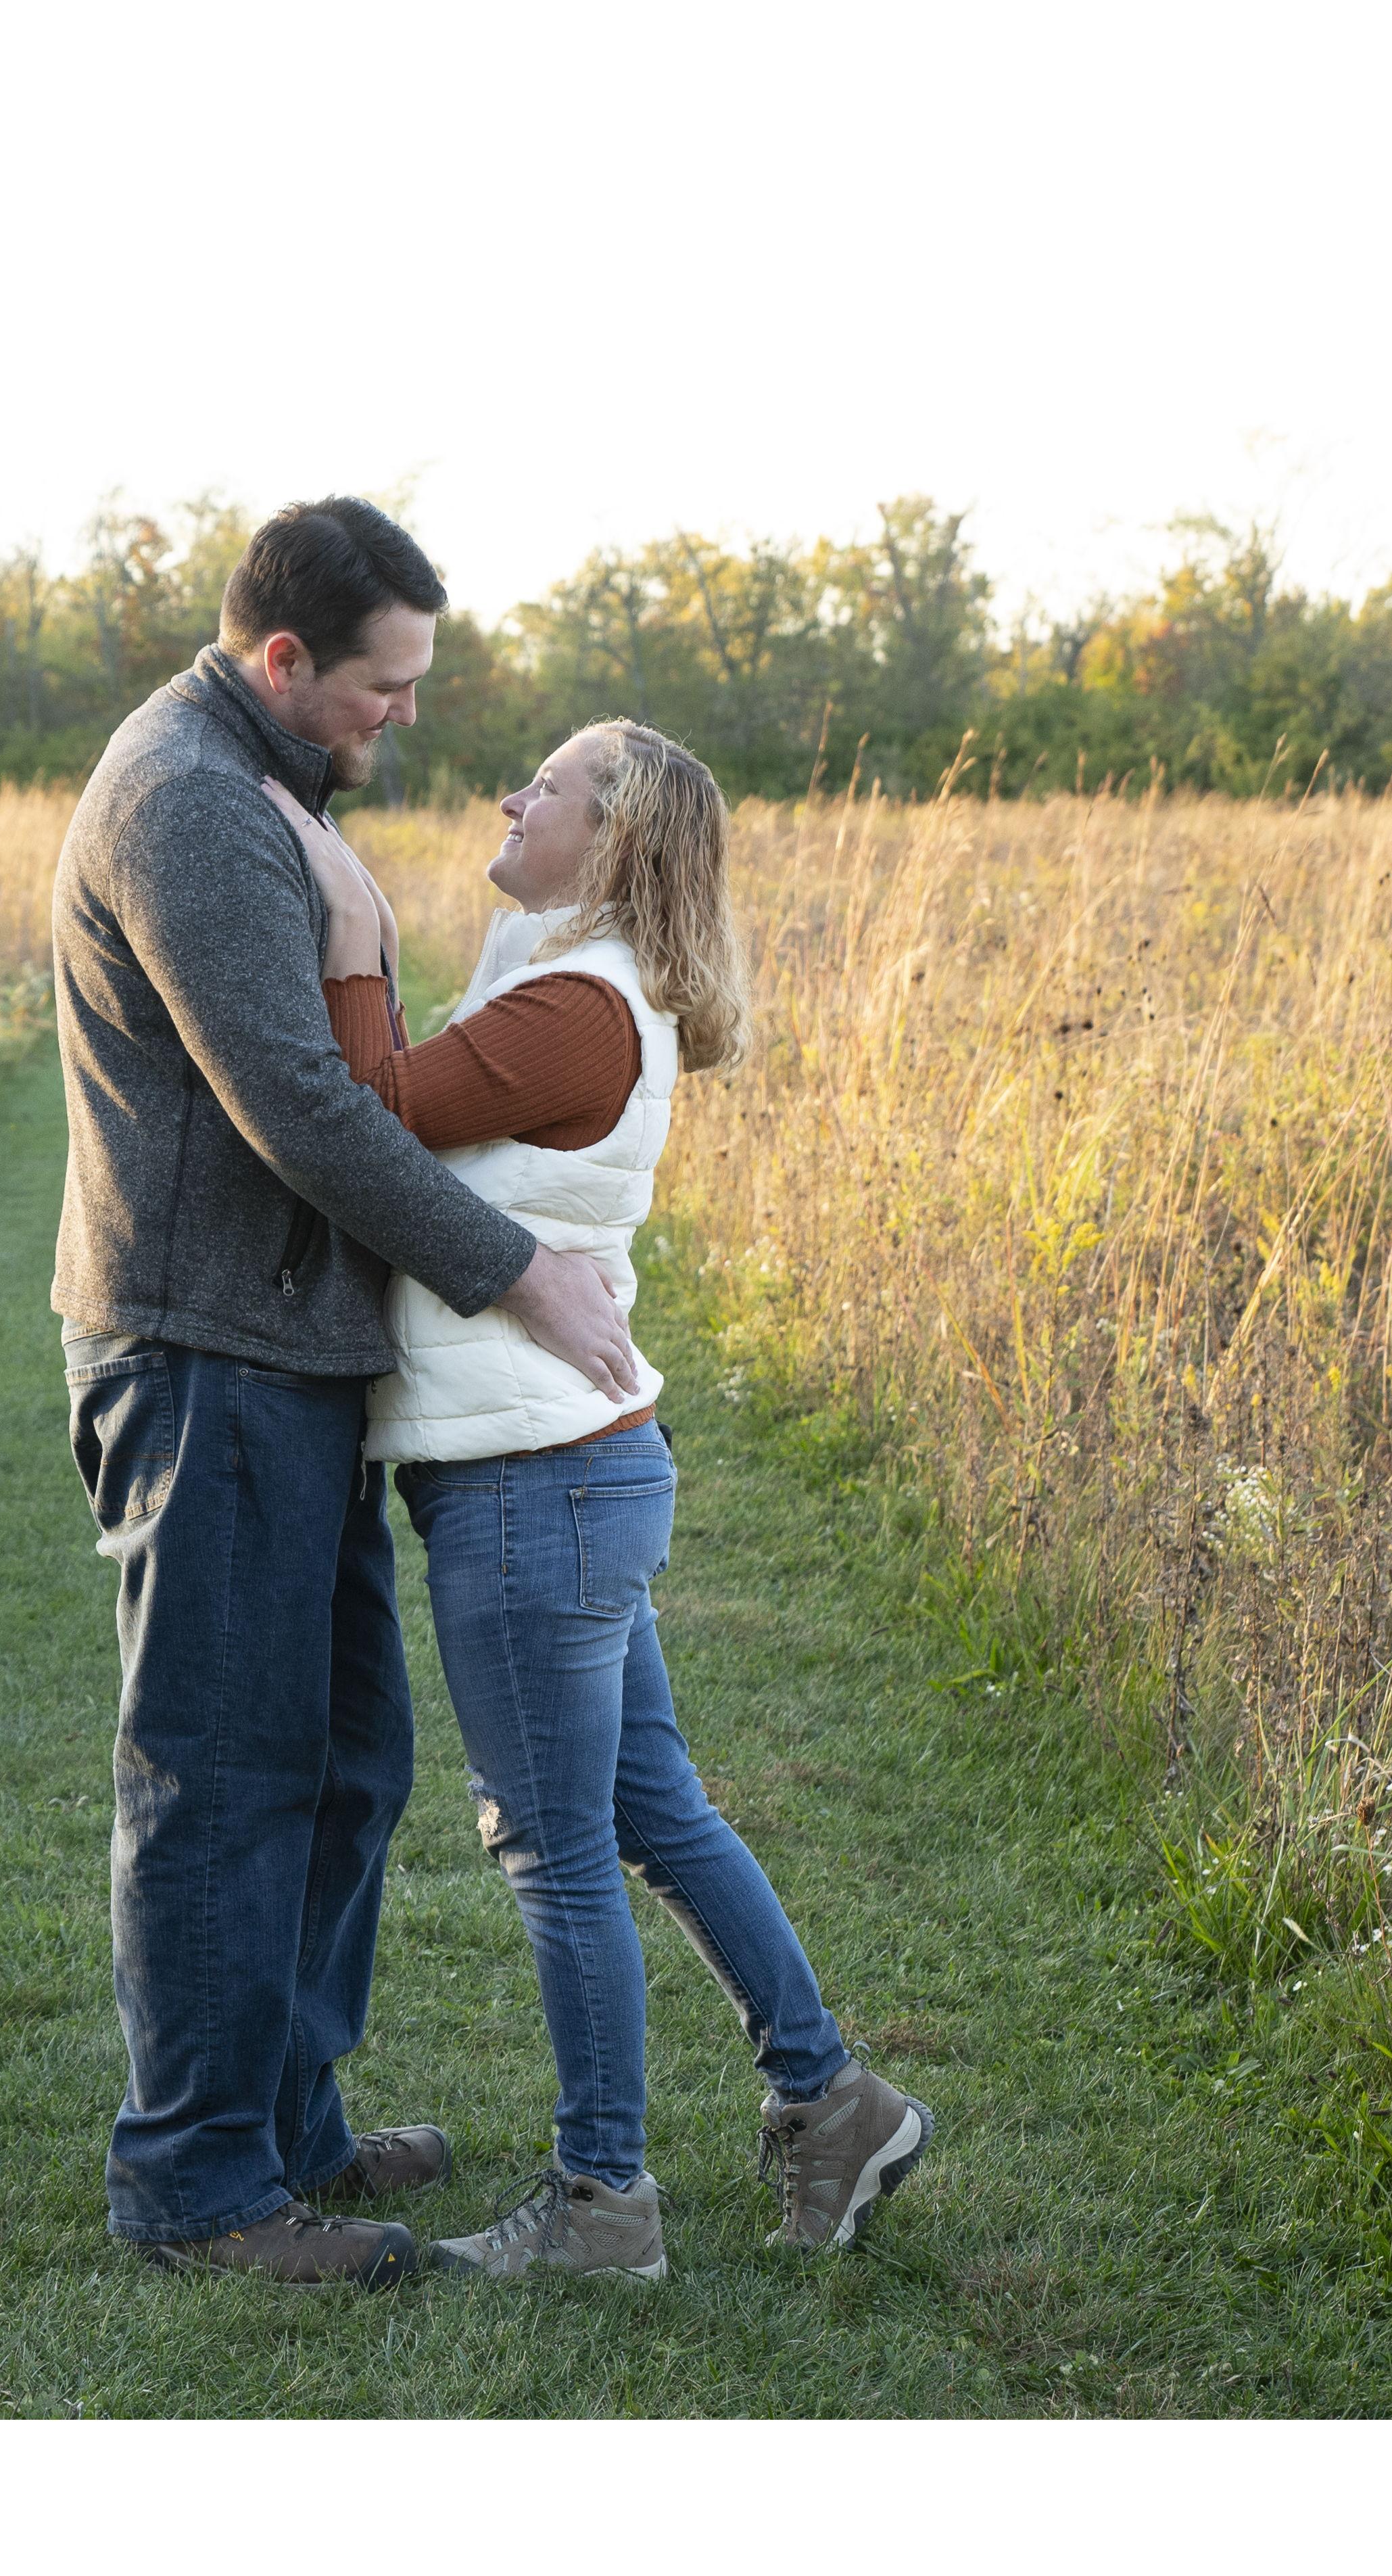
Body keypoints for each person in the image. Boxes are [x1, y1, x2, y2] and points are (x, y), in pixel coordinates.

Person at [51, 498, 644, 2289]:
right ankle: (197, 2186)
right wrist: (513, 1266)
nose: (406, 714)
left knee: (343, 1760)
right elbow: (300, 1107)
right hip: (208, 1349)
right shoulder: (189, 803)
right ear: (283, 656)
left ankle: (287, 2123)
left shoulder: (265, 788)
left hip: (293, 1351)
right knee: (224, 1773)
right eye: (383, 684)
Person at [264, 720, 931, 2280]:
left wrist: (353, 930)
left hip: (534, 1485)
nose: (512, 796)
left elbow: (359, 1109)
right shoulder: (570, 983)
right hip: (571, 1471)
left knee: (554, 1848)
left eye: (546, 786)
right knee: (648, 1810)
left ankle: (603, 2199)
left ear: (613, 836)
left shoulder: (577, 1009)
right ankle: (833, 2101)